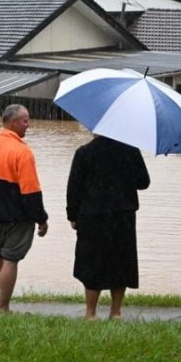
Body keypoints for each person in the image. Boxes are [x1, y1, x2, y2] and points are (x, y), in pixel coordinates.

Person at [0, 104, 49, 312]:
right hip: (18, 217)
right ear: (14, 122)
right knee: (10, 260)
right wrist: (41, 219)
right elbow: (31, 192)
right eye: (25, 121)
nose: (29, 125)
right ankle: (4, 307)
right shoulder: (22, 152)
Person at [66, 134, 150, 319]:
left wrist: (72, 215)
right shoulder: (131, 151)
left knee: (91, 262)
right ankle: (116, 312)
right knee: (121, 262)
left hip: (92, 215)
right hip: (123, 216)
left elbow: (74, 188)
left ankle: (90, 313)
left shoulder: (84, 152)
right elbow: (144, 182)